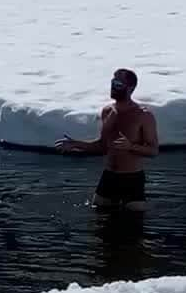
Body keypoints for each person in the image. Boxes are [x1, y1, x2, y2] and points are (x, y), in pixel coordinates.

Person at [54, 68, 159, 212]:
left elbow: (153, 151)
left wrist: (131, 147)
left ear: (131, 88)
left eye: (118, 84)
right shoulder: (107, 111)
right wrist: (76, 144)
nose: (113, 87)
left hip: (132, 179)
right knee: (99, 224)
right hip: (109, 176)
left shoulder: (143, 115)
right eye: (113, 82)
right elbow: (103, 147)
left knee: (133, 229)